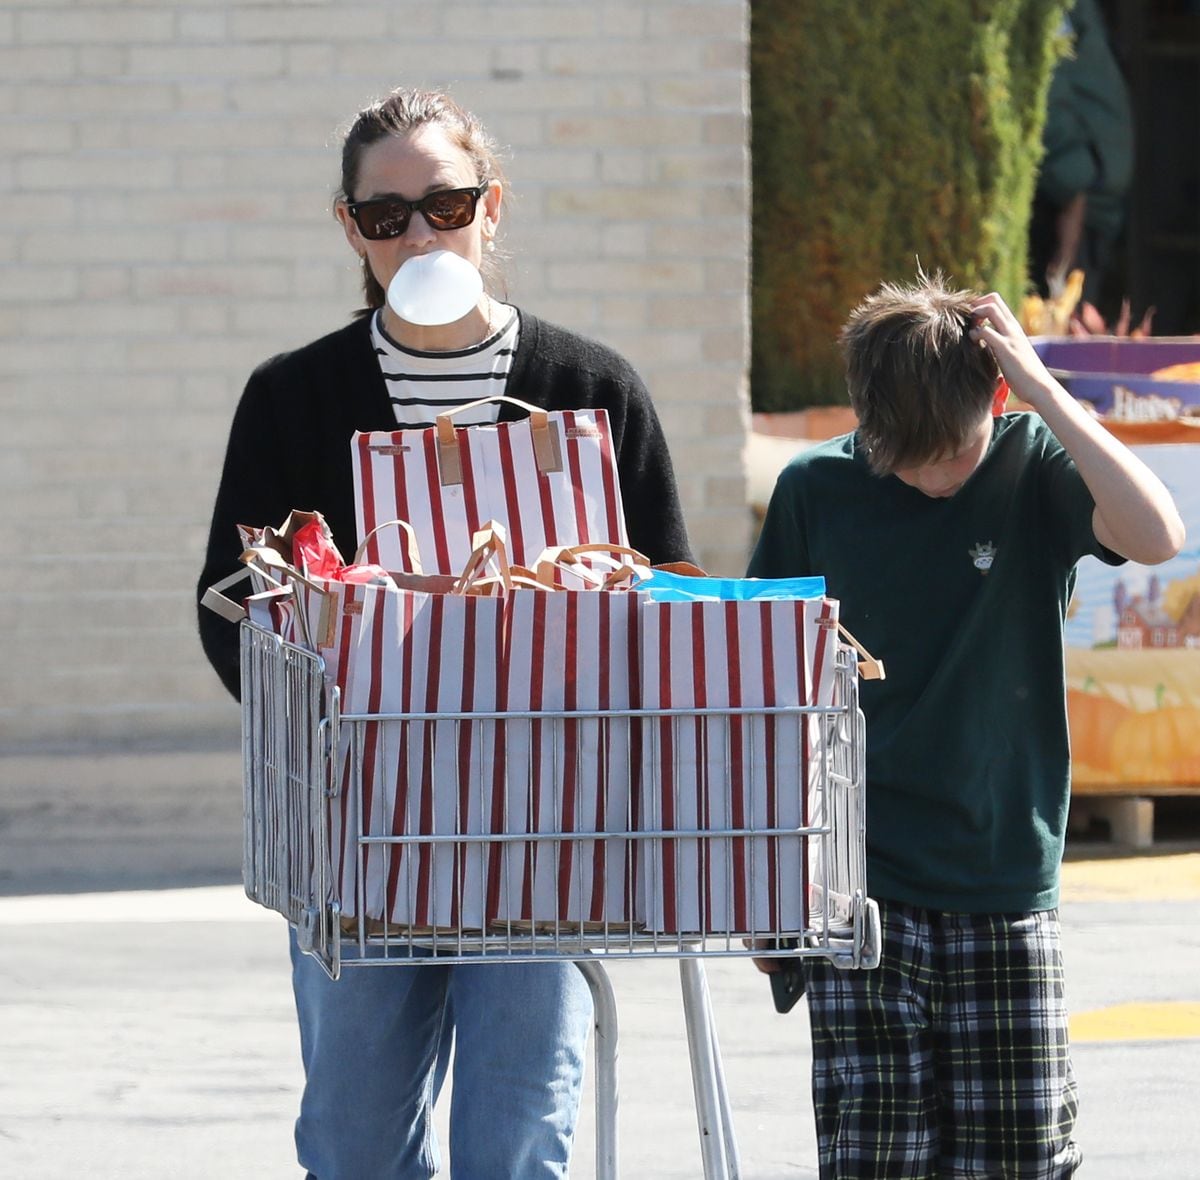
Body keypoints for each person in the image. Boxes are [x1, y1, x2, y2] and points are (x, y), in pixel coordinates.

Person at [196, 86, 693, 1179]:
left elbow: (673, 587)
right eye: (388, 217)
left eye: (446, 203)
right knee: (353, 1138)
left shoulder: (593, 388)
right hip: (356, 825)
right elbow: (225, 602)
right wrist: (320, 676)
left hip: (548, 830)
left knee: (514, 1139)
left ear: (492, 206)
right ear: (350, 229)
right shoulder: (293, 396)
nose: (421, 233)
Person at [750, 271, 1183, 1178]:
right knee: (875, 1159)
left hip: (1003, 882)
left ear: (996, 396)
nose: (930, 475)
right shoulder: (815, 490)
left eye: (952, 450)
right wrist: (769, 889)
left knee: (1021, 1158)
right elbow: (766, 693)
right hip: (858, 890)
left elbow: (1157, 536)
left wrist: (1042, 387)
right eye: (900, 454)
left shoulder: (1035, 467)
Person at [1029, 0, 1134, 311]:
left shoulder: (1059, 13)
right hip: (1088, 185)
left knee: (1061, 314)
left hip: (1079, 197)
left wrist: (1073, 181)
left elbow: (1049, 83)